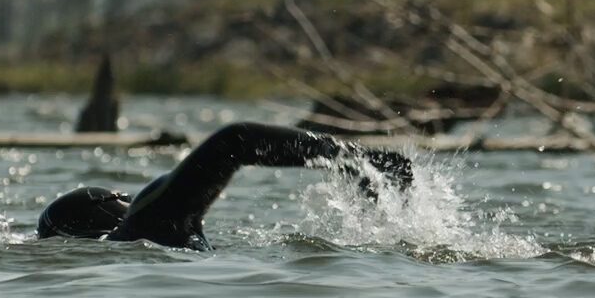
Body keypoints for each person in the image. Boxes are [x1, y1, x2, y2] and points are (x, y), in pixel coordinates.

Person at [37, 122, 414, 251]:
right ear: (107, 207)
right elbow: (235, 140)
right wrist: (347, 155)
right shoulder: (148, 221)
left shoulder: (146, 234)